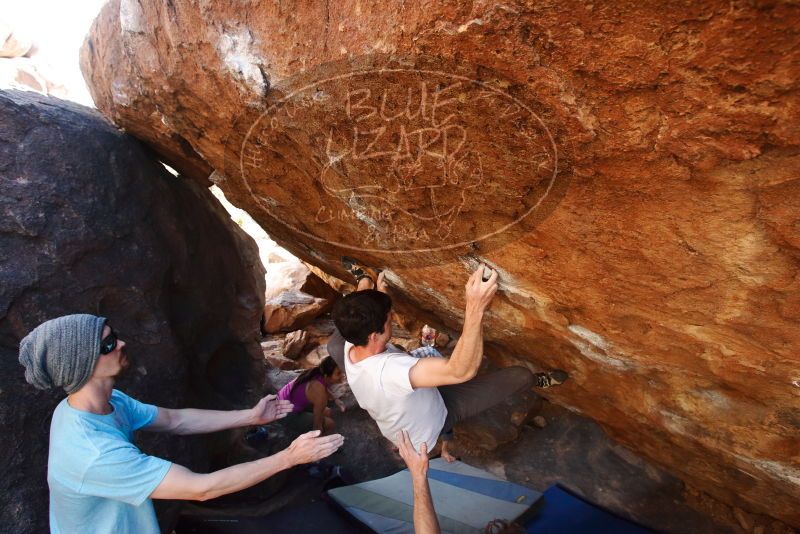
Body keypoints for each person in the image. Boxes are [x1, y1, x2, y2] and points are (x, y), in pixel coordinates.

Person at [18, 314, 345, 533]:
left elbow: (174, 420)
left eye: (113, 336)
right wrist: (289, 457)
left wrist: (250, 416)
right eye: (106, 345)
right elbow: (201, 488)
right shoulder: (94, 454)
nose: (120, 344)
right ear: (82, 365)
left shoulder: (104, 402)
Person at [331, 264, 567, 461]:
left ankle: (364, 278)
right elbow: (460, 371)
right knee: (520, 376)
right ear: (373, 335)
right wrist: (475, 307)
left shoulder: (351, 342)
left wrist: (375, 294)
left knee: (336, 346)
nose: (393, 319)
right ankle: (536, 381)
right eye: (389, 319)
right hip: (437, 416)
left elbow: (359, 320)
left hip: (406, 413)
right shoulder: (389, 371)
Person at [277, 356, 345, 434]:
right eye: (338, 373)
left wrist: (336, 399)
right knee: (330, 424)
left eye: (342, 371)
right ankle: (324, 443)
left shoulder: (318, 372)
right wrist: (318, 433)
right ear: (327, 376)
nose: (342, 375)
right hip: (284, 414)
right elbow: (316, 426)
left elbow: (323, 388)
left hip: (286, 403)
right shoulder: (320, 394)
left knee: (328, 412)